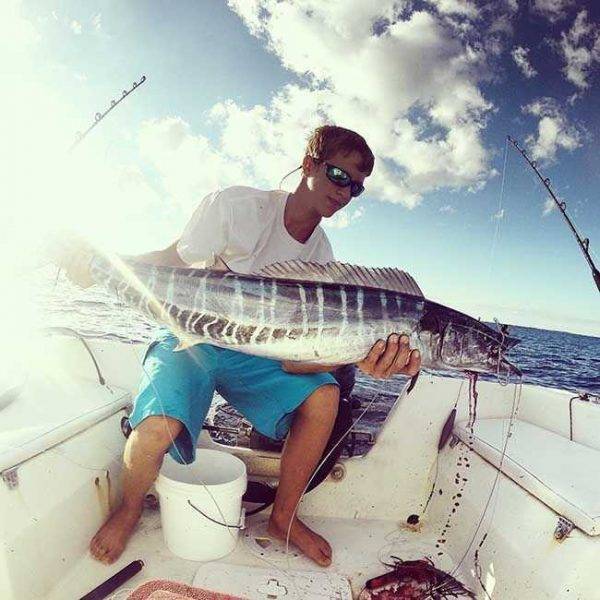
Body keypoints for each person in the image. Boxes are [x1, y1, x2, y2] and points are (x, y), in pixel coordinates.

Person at [59, 125, 421, 567]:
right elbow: (172, 262)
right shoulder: (237, 206)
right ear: (308, 165)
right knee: (157, 428)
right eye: (338, 176)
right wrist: (100, 263)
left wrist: (359, 359)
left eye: (357, 188)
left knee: (326, 396)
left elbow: (298, 356)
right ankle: (130, 506)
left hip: (255, 352)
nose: (344, 193)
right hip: (189, 335)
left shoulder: (322, 255)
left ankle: (283, 518)